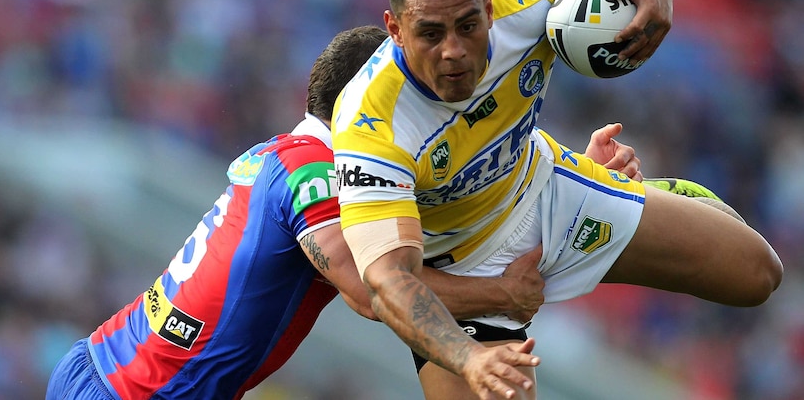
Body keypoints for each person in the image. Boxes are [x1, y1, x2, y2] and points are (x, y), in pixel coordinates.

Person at [330, 0, 784, 399]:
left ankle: (635, 194)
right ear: (395, 30)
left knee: (758, 276)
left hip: (546, 188)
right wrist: (470, 357)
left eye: (468, 26)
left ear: (487, 7)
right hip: (463, 266)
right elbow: (387, 281)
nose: (454, 52)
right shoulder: (370, 125)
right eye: (430, 34)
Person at [46, 25, 555, 400]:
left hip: (112, 368)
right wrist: (501, 296)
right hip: (136, 390)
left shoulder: (291, 155)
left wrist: (560, 179)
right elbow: (375, 291)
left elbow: (457, 203)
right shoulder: (315, 173)